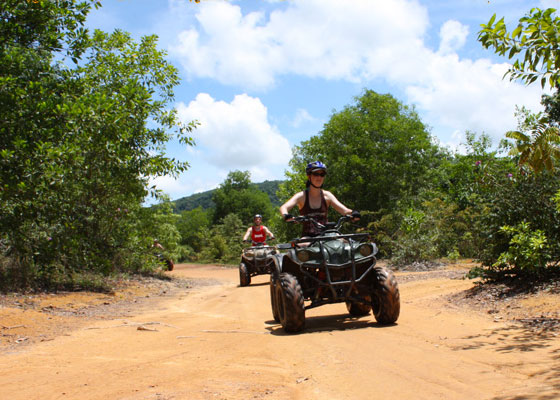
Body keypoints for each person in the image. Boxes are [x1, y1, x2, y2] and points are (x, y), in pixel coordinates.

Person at [279, 161, 360, 237]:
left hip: (326, 235)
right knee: (301, 247)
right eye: (316, 174)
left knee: (346, 246)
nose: (319, 177)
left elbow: (344, 211)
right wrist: (286, 215)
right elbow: (284, 207)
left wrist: (354, 213)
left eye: (322, 174)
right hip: (308, 237)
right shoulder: (301, 196)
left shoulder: (327, 195)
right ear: (308, 176)